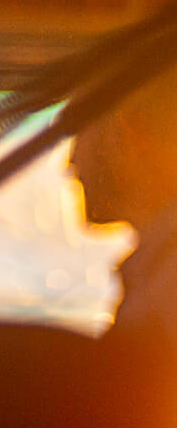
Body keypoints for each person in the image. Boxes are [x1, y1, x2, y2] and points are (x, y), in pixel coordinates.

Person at [69, 67, 177, 338]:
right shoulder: (158, 269)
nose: (70, 163)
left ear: (127, 135)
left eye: (80, 132)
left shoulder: (168, 280)